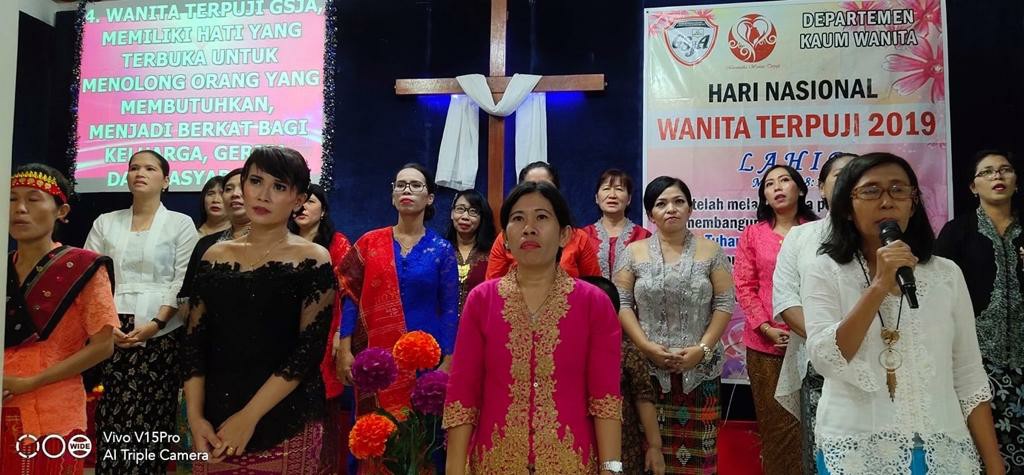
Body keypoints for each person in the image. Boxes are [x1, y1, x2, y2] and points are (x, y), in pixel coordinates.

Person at [803, 152, 1003, 474]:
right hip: (858, 449)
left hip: (943, 447)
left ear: (913, 203)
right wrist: (879, 285)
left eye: (898, 190)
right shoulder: (825, 270)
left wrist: (994, 464)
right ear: (847, 208)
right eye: (871, 191)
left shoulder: (946, 274)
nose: (887, 202)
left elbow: (968, 375)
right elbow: (827, 359)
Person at [444, 181, 623, 474]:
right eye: (518, 218)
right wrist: (454, 469)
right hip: (494, 463)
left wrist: (612, 469)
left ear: (564, 234)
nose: (528, 228)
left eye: (541, 217)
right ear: (505, 237)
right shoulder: (482, 301)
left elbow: (605, 400)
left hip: (572, 464)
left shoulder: (594, 304)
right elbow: (463, 395)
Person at [183, 146, 336, 473]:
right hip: (215, 419)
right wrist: (194, 418)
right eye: (255, 181)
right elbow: (195, 345)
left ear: (298, 199)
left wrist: (249, 417)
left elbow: (308, 351)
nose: (263, 195)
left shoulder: (313, 258)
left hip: (288, 417)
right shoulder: (214, 256)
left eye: (279, 186)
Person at [85, 150, 198, 474]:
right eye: (134, 167)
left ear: (166, 180)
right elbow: (91, 277)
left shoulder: (180, 223)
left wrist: (157, 322)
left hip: (162, 330)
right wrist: (107, 326)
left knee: (154, 414)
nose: (140, 173)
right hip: (111, 328)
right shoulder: (105, 221)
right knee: (113, 412)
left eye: (150, 168)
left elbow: (182, 280)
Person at [1, 164, 119, 475]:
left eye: (33, 199)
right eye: (11, 199)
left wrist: (31, 382)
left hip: (54, 410)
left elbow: (103, 346)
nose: (19, 209)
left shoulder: (83, 267)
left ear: (61, 211)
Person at [613, 176, 735, 474]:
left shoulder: (711, 251)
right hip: (646, 373)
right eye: (661, 203)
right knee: (647, 458)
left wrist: (702, 349)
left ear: (690, 209)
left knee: (700, 462)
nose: (671, 209)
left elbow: (724, 303)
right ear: (650, 214)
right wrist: (645, 347)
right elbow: (622, 303)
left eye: (679, 202)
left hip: (700, 372)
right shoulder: (633, 253)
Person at [338, 163, 459, 416]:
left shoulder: (442, 249)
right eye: (401, 185)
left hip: (424, 359)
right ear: (393, 196)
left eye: (416, 185)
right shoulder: (370, 243)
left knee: (418, 433)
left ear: (429, 198)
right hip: (376, 359)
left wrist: (448, 361)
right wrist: (345, 349)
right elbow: (350, 296)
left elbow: (449, 310)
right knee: (376, 430)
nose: (407, 190)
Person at [935, 149, 1023, 473]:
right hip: (977, 365)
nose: (997, 176)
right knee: (984, 456)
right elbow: (938, 296)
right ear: (973, 187)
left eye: (1005, 169)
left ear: (1016, 181)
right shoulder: (957, 232)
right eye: (986, 172)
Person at [770, 152, 857, 475]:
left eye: (857, 173)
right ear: (821, 187)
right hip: (817, 360)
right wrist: (831, 343)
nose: (849, 180)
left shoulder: (881, 237)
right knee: (822, 454)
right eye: (839, 175)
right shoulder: (801, 237)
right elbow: (786, 300)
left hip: (877, 361)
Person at [734, 165, 817, 475]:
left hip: (810, 341)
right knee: (776, 425)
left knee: (811, 421)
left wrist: (806, 329)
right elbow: (744, 286)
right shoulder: (753, 235)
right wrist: (766, 328)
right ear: (765, 197)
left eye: (785, 180)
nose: (778, 187)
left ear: (801, 189)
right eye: (770, 184)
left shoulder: (818, 232)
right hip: (765, 346)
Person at [291, 182, 354, 474]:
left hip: (326, 335)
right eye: (299, 202)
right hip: (286, 335)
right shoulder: (280, 241)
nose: (302, 207)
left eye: (310, 201)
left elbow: (348, 294)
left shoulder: (338, 244)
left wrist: (341, 334)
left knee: (323, 410)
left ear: (324, 210)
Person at [581, 275, 665, 475]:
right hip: (578, 443)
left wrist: (654, 446)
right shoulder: (567, 350)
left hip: (623, 448)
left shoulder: (626, 352)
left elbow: (643, 397)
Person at [485, 161, 601, 279]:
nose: (537, 192)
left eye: (545, 187)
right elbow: (491, 284)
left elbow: (595, 284)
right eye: (530, 187)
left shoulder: (579, 238)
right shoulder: (507, 238)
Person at [582, 169, 651, 279]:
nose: (612, 195)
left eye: (619, 189)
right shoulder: (582, 236)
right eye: (606, 189)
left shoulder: (644, 236)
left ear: (629, 199)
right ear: (596, 198)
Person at [443, 189, 496, 311]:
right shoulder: (439, 250)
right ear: (452, 213)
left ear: (482, 217)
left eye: (473, 212)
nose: (465, 217)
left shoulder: (492, 254)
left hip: (480, 320)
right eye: (460, 209)